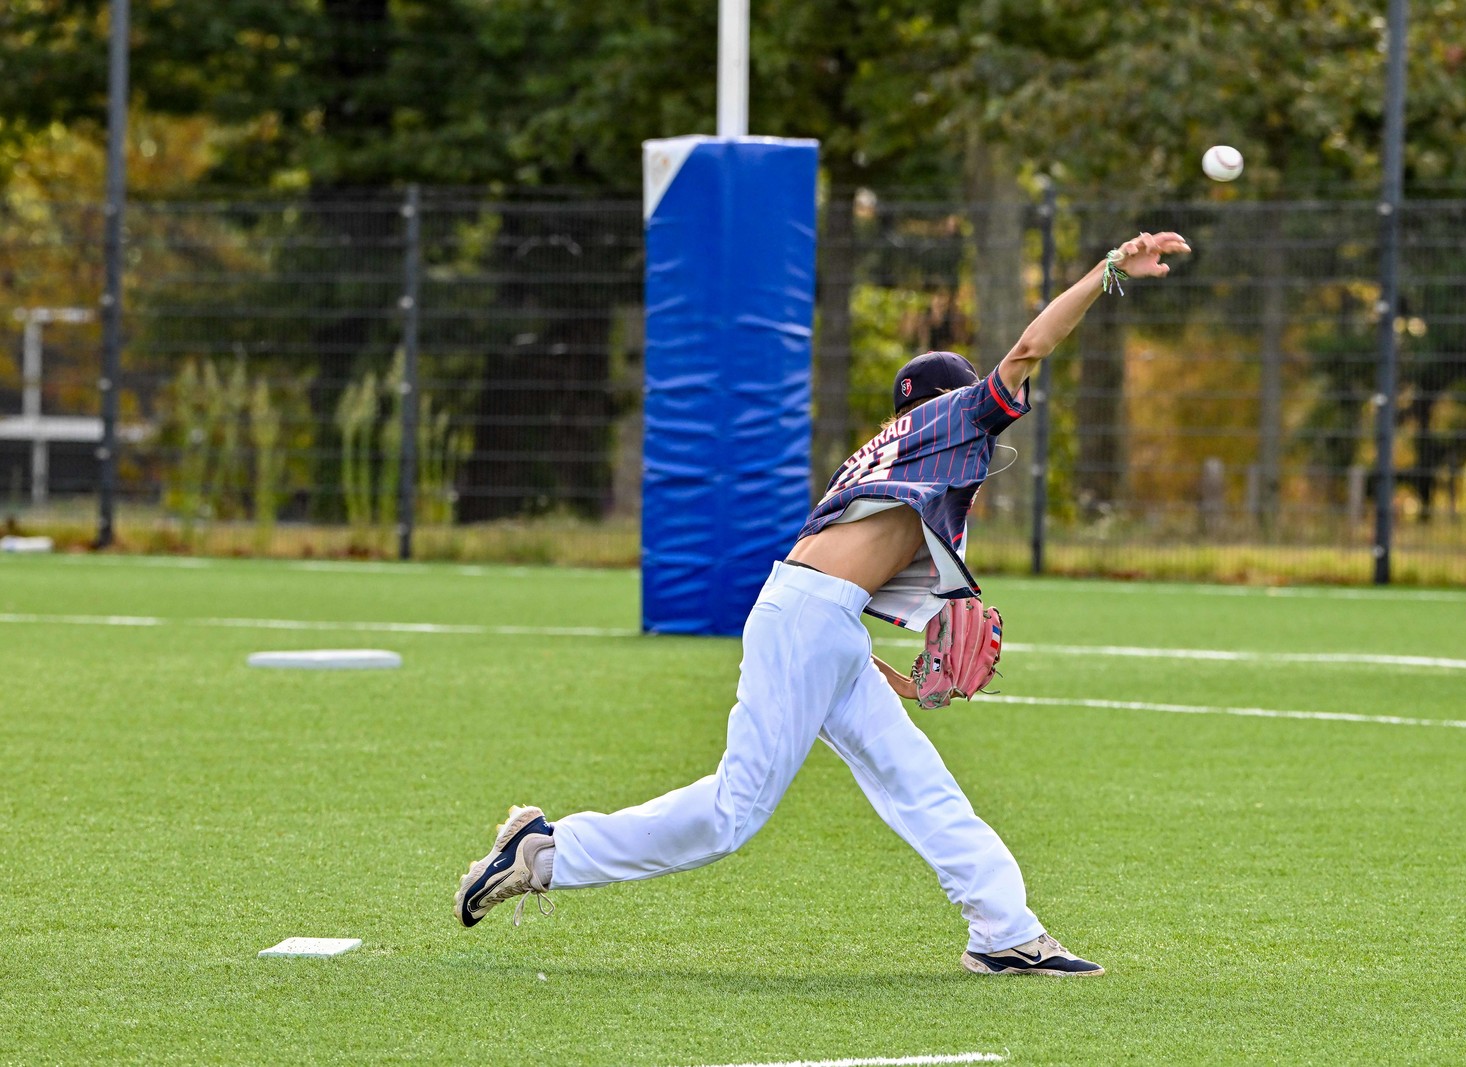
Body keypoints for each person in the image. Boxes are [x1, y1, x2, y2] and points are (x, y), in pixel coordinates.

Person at [455, 230, 1192, 976]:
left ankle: (1005, 929)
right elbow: (1031, 348)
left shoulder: (893, 454)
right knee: (731, 814)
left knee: (920, 782)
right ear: (950, 397)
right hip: (809, 620)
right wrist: (1105, 272)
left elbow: (840, 591)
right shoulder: (955, 419)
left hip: (824, 626)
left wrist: (906, 677)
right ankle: (549, 851)